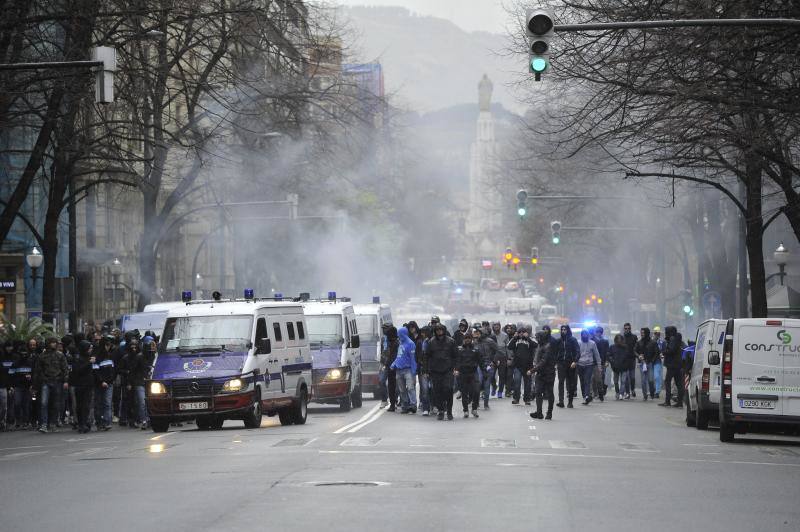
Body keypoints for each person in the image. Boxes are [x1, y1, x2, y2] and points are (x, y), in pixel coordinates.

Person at [33, 337, 69, 433]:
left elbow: (65, 369)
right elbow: (38, 371)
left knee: (56, 404)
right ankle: (44, 424)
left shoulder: (60, 355)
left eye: (55, 342)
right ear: (48, 343)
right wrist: (36, 384)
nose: (54, 344)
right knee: (44, 403)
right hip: (46, 382)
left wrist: (65, 381)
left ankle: (52, 423)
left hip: (57, 381)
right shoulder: (42, 356)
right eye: (52, 342)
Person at [424, 323, 457, 421]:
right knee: (437, 391)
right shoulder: (431, 342)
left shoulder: (451, 341)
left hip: (448, 370)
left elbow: (456, 356)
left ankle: (449, 411)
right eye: (437, 330)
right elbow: (426, 356)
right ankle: (441, 410)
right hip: (435, 371)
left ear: (444, 330)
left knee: (448, 389)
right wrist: (426, 370)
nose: (439, 332)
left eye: (441, 330)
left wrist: (456, 368)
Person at [530, 331, 557, 420]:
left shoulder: (548, 347)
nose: (537, 339)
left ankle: (549, 412)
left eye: (538, 337)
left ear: (542, 337)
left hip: (548, 373)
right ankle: (539, 412)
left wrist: (533, 370)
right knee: (538, 392)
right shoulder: (540, 346)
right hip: (540, 373)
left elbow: (543, 361)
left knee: (549, 393)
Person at [390, 326, 418, 414]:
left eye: (400, 334)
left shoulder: (411, 344)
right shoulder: (400, 343)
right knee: (402, 390)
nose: (399, 336)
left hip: (408, 369)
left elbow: (413, 359)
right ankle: (405, 405)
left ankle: (413, 405)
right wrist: (393, 364)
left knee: (410, 388)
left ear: (404, 334)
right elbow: (399, 356)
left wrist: (414, 371)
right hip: (398, 370)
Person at [455, 329, 482, 418]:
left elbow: (480, 361)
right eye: (465, 338)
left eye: (469, 338)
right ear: (463, 339)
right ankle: (465, 410)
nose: (467, 340)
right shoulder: (460, 349)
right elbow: (457, 361)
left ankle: (474, 409)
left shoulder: (476, 349)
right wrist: (456, 370)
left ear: (471, 339)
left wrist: (484, 371)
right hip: (463, 373)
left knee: (476, 391)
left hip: (473, 373)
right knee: (464, 393)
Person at [507, 326, 536, 405]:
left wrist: (528, 338)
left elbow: (535, 345)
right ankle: (516, 398)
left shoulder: (530, 339)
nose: (521, 334)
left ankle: (527, 399)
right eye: (519, 332)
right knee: (517, 382)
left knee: (527, 384)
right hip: (517, 366)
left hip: (528, 366)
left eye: (523, 332)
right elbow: (509, 346)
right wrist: (514, 338)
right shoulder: (515, 340)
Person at [71, 340, 95, 434]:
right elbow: (78, 370)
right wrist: (89, 363)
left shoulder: (89, 357)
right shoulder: (78, 358)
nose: (90, 350)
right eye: (89, 348)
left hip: (88, 385)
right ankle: (81, 423)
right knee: (80, 406)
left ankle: (85, 423)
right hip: (79, 385)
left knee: (86, 405)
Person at [94, 336, 116, 430]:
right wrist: (101, 381)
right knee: (98, 403)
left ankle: (107, 422)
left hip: (109, 384)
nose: (108, 347)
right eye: (106, 345)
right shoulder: (97, 356)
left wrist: (111, 380)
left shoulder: (110, 356)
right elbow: (95, 371)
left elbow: (113, 370)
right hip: (99, 384)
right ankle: (99, 422)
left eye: (109, 345)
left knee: (107, 403)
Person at [474, 326, 498, 409]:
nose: (477, 334)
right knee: (478, 383)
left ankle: (486, 404)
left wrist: (493, 362)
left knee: (487, 384)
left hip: (489, 364)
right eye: (476, 333)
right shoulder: (475, 342)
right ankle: (476, 403)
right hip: (478, 365)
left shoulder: (490, 341)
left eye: (478, 333)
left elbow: (497, 351)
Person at [555, 325, 579, 408]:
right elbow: (554, 352)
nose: (563, 331)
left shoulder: (573, 340)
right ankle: (561, 401)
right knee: (561, 382)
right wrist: (556, 362)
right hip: (561, 363)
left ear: (568, 330)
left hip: (570, 364)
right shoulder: (558, 341)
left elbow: (577, 351)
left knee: (571, 383)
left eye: (565, 329)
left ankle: (570, 402)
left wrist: (575, 361)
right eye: (562, 329)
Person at [661, 326, 684, 408]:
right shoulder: (677, 338)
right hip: (678, 364)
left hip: (672, 364)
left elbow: (671, 350)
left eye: (666, 331)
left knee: (667, 382)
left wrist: (664, 352)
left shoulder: (672, 339)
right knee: (679, 383)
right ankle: (680, 402)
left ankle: (667, 401)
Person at [11, 341, 33, 429]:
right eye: (22, 354)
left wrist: (31, 382)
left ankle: (26, 422)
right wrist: (11, 386)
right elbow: (11, 375)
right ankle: (18, 421)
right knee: (17, 403)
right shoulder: (15, 363)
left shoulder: (30, 362)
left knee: (26, 405)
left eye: (25, 353)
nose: (24, 355)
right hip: (17, 387)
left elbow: (35, 374)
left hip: (28, 387)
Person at [577, 330, 601, 405]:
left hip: (589, 364)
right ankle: (584, 396)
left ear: (588, 335)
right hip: (580, 364)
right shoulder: (578, 343)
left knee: (587, 380)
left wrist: (599, 366)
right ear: (581, 336)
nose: (585, 336)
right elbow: (576, 353)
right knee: (582, 381)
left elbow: (597, 355)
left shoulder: (592, 343)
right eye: (583, 335)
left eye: (586, 335)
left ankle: (587, 396)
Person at [635, 327, 660, 400]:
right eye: (641, 333)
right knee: (643, 381)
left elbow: (656, 352)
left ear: (647, 333)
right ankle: (645, 395)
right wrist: (638, 356)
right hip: (642, 363)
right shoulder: (639, 342)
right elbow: (635, 351)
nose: (641, 334)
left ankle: (652, 392)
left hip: (649, 363)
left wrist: (652, 360)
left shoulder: (653, 342)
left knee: (651, 380)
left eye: (643, 333)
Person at [379, 324, 399, 411]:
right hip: (385, 364)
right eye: (383, 329)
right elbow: (382, 351)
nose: (384, 331)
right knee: (381, 381)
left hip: (393, 365)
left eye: (386, 329)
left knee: (395, 385)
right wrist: (381, 362)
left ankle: (395, 400)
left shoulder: (396, 341)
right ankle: (384, 399)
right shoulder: (384, 339)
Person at [413, 324, 431, 416]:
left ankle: (434, 405)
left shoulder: (432, 342)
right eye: (422, 332)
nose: (423, 334)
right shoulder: (420, 342)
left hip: (432, 369)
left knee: (432, 389)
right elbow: (416, 356)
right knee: (424, 389)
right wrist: (419, 364)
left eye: (425, 332)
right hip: (422, 369)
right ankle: (426, 408)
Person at [1, 340, 17, 430]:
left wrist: (11, 385)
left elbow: (15, 370)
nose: (9, 348)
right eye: (7, 346)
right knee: (4, 405)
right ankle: (3, 422)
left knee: (9, 404)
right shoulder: (2, 357)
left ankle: (10, 421)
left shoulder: (14, 357)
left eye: (10, 346)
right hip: (3, 383)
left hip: (11, 383)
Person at [610, 334, 632, 399]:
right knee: (616, 382)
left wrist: (627, 365)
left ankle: (621, 394)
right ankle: (617, 392)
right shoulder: (612, 347)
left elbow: (628, 357)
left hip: (624, 367)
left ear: (622, 340)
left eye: (620, 339)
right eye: (617, 339)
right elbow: (609, 355)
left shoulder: (626, 347)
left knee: (623, 381)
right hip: (615, 367)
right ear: (615, 340)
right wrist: (612, 362)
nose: (619, 341)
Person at [592, 327, 610, 401]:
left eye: (599, 332)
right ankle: (595, 392)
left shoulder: (605, 341)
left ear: (601, 333)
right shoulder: (592, 340)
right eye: (597, 331)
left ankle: (602, 390)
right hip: (593, 362)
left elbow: (607, 352)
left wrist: (607, 361)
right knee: (593, 378)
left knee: (601, 377)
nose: (598, 333)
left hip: (602, 362)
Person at [622, 323, 638, 398]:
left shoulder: (634, 337)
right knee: (626, 377)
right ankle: (627, 393)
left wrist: (638, 355)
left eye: (628, 328)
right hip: (624, 360)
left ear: (630, 329)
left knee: (632, 377)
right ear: (624, 329)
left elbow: (637, 347)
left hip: (632, 359)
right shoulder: (621, 337)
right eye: (626, 328)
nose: (627, 330)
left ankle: (632, 389)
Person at [652, 326, 665, 398]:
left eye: (658, 333)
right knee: (652, 377)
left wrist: (662, 354)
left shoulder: (662, 342)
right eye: (656, 333)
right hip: (651, 361)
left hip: (657, 361)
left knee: (657, 376)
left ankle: (657, 391)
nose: (657, 335)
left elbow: (663, 351)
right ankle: (653, 389)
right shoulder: (650, 341)